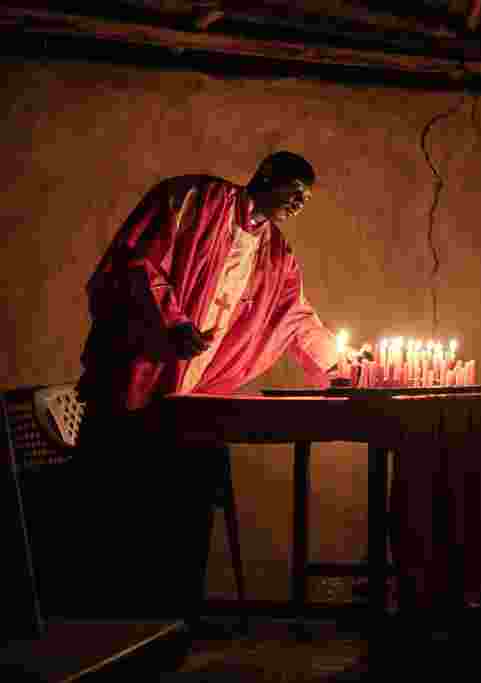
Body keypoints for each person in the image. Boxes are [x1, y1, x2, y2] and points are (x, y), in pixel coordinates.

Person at [66, 152, 344, 621]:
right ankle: (98, 623)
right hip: (135, 382)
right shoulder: (192, 200)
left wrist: (339, 369)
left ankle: (172, 619)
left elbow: (295, 317)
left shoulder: (277, 254)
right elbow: (141, 264)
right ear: (267, 177)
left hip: (194, 399)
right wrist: (172, 324)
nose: (299, 203)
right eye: (295, 190)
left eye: (306, 198)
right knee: (114, 507)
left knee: (183, 508)